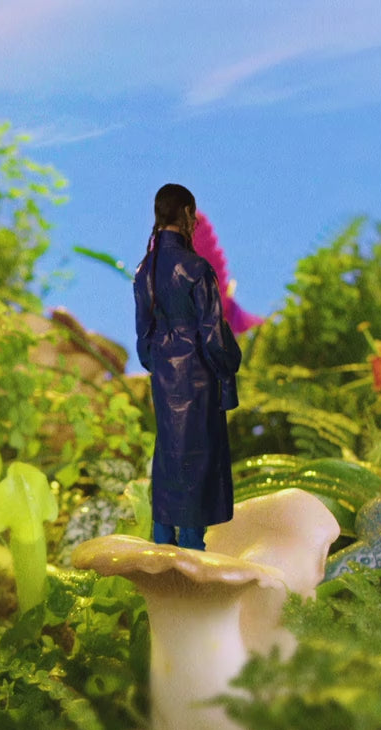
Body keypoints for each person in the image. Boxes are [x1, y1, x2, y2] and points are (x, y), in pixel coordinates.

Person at [133, 183, 242, 550]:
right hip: (197, 374)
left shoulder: (144, 270)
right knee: (197, 455)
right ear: (186, 215)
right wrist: (228, 363)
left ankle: (162, 539)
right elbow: (213, 334)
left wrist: (162, 361)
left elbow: (143, 339)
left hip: (164, 373)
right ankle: (193, 548)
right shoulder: (197, 268)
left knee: (168, 452)